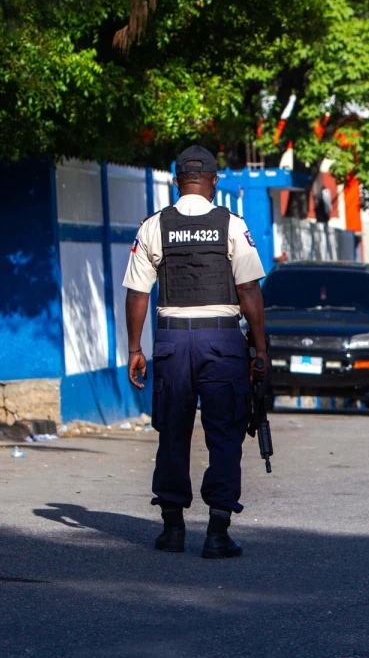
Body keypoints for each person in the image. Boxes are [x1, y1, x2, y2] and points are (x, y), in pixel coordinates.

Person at [122, 146, 268, 558]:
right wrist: (260, 348)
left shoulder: (154, 226)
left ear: (176, 181)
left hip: (172, 342)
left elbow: (137, 293)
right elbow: (248, 289)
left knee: (173, 432)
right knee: (225, 433)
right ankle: (217, 533)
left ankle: (172, 531)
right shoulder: (231, 225)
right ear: (214, 182)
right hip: (221, 342)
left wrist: (135, 348)